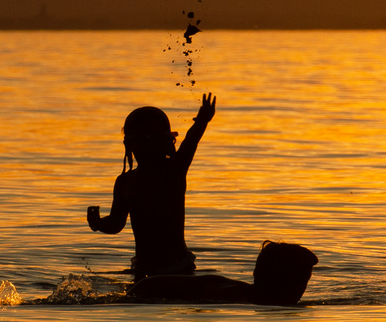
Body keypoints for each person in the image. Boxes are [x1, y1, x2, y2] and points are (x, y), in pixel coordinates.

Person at [87, 93, 216, 280]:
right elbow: (116, 224)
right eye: (141, 139)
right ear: (129, 145)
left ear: (168, 141)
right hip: (142, 271)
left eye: (155, 138)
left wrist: (202, 121)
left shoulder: (174, 170)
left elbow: (191, 141)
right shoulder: (125, 182)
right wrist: (98, 224)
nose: (148, 145)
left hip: (179, 269)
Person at [128, 241, 320, 306]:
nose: (303, 288)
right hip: (147, 290)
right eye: (304, 280)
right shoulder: (236, 295)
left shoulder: (250, 296)